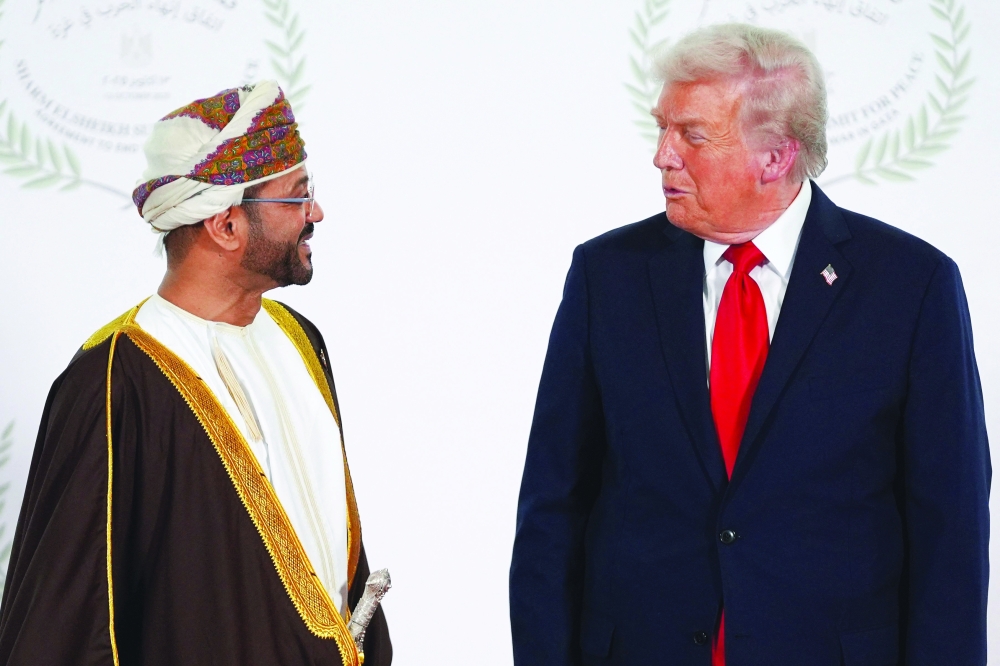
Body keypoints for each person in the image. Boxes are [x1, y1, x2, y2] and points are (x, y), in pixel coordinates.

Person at [510, 24, 989, 666]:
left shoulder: (911, 287)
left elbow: (949, 530)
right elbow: (552, 509)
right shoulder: (608, 276)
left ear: (776, 156)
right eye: (662, 128)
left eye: (692, 135)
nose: (663, 155)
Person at [0, 81, 391, 666]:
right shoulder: (112, 382)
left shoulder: (300, 340)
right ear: (225, 225)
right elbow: (66, 621)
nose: (316, 213)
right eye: (296, 197)